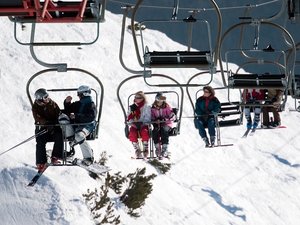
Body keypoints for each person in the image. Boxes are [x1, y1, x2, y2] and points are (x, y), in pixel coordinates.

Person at [64, 85, 96, 166]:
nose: (78, 96)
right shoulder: (79, 103)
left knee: (79, 136)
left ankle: (89, 158)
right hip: (78, 125)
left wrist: (77, 116)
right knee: (64, 122)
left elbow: (91, 117)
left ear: (84, 94)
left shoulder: (91, 104)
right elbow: (69, 110)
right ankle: (71, 151)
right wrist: (67, 103)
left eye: (79, 94)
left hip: (87, 126)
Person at [32, 88, 63, 171]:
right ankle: (40, 162)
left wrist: (55, 122)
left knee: (59, 135)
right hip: (43, 128)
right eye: (45, 97)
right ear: (40, 98)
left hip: (54, 127)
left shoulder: (52, 103)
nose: (47, 98)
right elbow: (38, 118)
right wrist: (46, 123)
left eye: (47, 96)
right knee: (40, 141)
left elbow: (58, 113)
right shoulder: (36, 107)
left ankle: (55, 156)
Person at [127, 91, 151, 158]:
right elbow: (128, 116)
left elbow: (148, 117)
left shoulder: (146, 106)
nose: (137, 99)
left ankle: (145, 147)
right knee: (132, 133)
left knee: (144, 132)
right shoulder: (132, 107)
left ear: (143, 98)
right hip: (134, 124)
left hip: (143, 124)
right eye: (136, 97)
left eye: (139, 97)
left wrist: (143, 123)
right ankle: (137, 149)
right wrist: (132, 123)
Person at [151, 92, 175, 158]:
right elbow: (152, 117)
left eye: (163, 100)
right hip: (158, 125)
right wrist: (155, 121)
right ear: (156, 100)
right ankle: (157, 148)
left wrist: (165, 119)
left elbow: (172, 116)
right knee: (155, 131)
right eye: (160, 99)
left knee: (164, 130)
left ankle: (165, 148)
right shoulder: (153, 108)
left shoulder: (167, 107)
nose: (161, 102)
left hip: (167, 124)